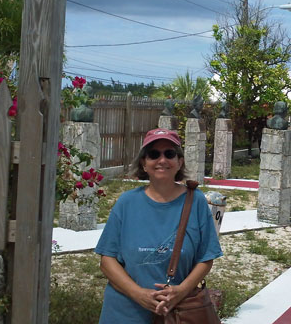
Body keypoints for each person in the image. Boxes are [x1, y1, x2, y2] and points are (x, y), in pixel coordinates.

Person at [95, 128, 223, 323]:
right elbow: (107, 260)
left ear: (179, 162)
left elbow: (206, 258)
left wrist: (180, 291)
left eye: (169, 154)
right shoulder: (126, 202)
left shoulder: (196, 201)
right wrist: (139, 294)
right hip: (124, 313)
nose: (162, 160)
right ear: (143, 164)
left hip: (175, 314)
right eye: (154, 154)